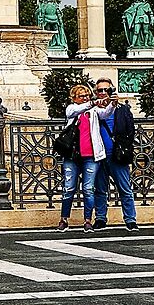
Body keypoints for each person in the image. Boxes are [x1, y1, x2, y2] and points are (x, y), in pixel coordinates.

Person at [85, 78, 138, 232]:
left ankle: (130, 219)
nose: (102, 93)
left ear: (111, 91)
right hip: (98, 155)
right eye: (99, 90)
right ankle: (101, 218)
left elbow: (130, 130)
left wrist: (125, 148)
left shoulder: (122, 109)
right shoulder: (92, 109)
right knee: (100, 189)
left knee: (125, 188)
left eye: (106, 90)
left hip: (117, 154)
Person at [53, 94, 95, 231]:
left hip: (90, 155)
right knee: (69, 188)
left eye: (87, 96)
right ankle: (64, 219)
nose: (85, 98)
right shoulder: (72, 109)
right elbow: (72, 112)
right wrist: (90, 104)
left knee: (88, 189)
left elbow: (105, 113)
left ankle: (88, 220)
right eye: (81, 96)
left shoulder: (94, 111)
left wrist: (110, 104)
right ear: (74, 98)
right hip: (72, 155)